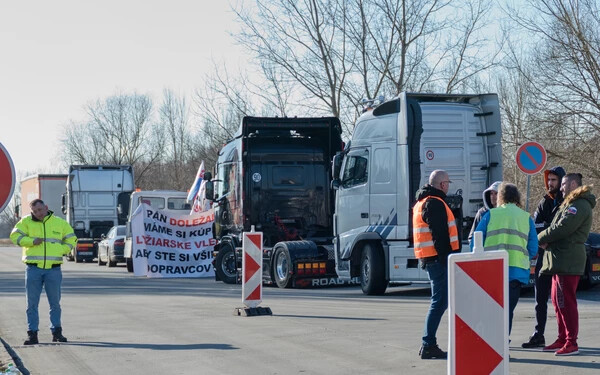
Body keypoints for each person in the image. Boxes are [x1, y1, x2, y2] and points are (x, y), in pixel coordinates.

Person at [538, 173, 595, 356]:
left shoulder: (579, 205)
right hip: (559, 259)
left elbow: (563, 228)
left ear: (572, 184)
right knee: (557, 301)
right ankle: (562, 338)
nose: (560, 188)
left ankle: (572, 342)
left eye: (563, 184)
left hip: (568, 260)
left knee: (566, 302)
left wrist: (540, 238)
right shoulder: (569, 203)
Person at [471, 183, 538, 335]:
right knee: (507, 312)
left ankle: (490, 344)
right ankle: (503, 345)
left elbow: (475, 241)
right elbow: (533, 248)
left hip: (491, 271)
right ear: (517, 198)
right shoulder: (526, 218)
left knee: (491, 311)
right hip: (515, 273)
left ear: (500, 197)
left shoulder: (490, 215)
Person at [10, 199, 77, 345]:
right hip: (33, 268)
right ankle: (32, 334)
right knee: (32, 304)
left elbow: (72, 239)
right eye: (35, 211)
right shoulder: (25, 222)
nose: (38, 213)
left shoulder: (59, 222)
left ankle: (57, 332)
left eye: (40, 210)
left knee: (55, 304)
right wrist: (31, 241)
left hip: (53, 269)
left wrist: (61, 250)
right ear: (31, 211)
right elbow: (14, 237)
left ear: (46, 207)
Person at [413, 169, 461, 359]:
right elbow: (440, 236)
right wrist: (449, 260)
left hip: (429, 258)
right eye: (448, 182)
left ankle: (429, 343)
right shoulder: (435, 203)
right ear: (442, 184)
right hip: (437, 260)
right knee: (439, 302)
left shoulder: (422, 202)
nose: (449, 186)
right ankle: (428, 344)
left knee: (439, 301)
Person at [522, 166, 566, 348]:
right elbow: (535, 226)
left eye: (554, 180)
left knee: (561, 300)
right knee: (540, 298)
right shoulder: (544, 202)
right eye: (549, 180)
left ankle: (564, 336)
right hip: (543, 255)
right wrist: (544, 237)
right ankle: (538, 333)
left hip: (560, 256)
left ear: (561, 181)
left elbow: (564, 229)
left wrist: (547, 231)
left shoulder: (568, 202)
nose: (550, 183)